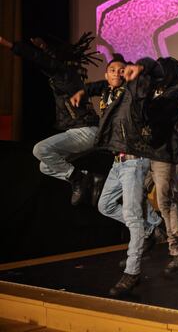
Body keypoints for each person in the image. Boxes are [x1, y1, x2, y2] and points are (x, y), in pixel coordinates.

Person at [87, 55, 164, 296]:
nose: (118, 73)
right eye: (113, 70)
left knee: (132, 218)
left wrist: (140, 67)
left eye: (122, 69)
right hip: (117, 162)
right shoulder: (107, 97)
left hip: (133, 161)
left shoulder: (132, 92)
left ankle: (132, 272)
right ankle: (152, 226)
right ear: (107, 75)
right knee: (104, 205)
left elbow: (155, 69)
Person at [0, 33, 102, 205]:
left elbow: (41, 60)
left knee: (40, 150)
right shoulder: (66, 75)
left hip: (87, 131)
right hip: (79, 131)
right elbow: (49, 60)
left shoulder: (65, 74)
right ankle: (88, 178)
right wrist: (44, 47)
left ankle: (80, 179)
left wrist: (9, 44)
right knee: (45, 166)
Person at [142, 57, 178, 274]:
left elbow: (157, 118)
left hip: (167, 153)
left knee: (168, 200)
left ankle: (177, 246)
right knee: (138, 192)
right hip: (151, 151)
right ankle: (156, 229)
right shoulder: (160, 93)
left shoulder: (174, 95)